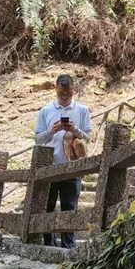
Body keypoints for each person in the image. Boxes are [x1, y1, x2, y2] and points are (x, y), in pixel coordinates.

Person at [34, 74, 92, 248]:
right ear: (56, 89)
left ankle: (69, 246)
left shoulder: (82, 110)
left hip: (72, 167)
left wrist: (74, 129)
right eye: (61, 93)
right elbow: (38, 139)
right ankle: (48, 245)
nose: (64, 97)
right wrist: (52, 131)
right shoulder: (46, 111)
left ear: (73, 90)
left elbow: (88, 137)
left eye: (68, 93)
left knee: (70, 208)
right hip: (50, 167)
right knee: (48, 207)